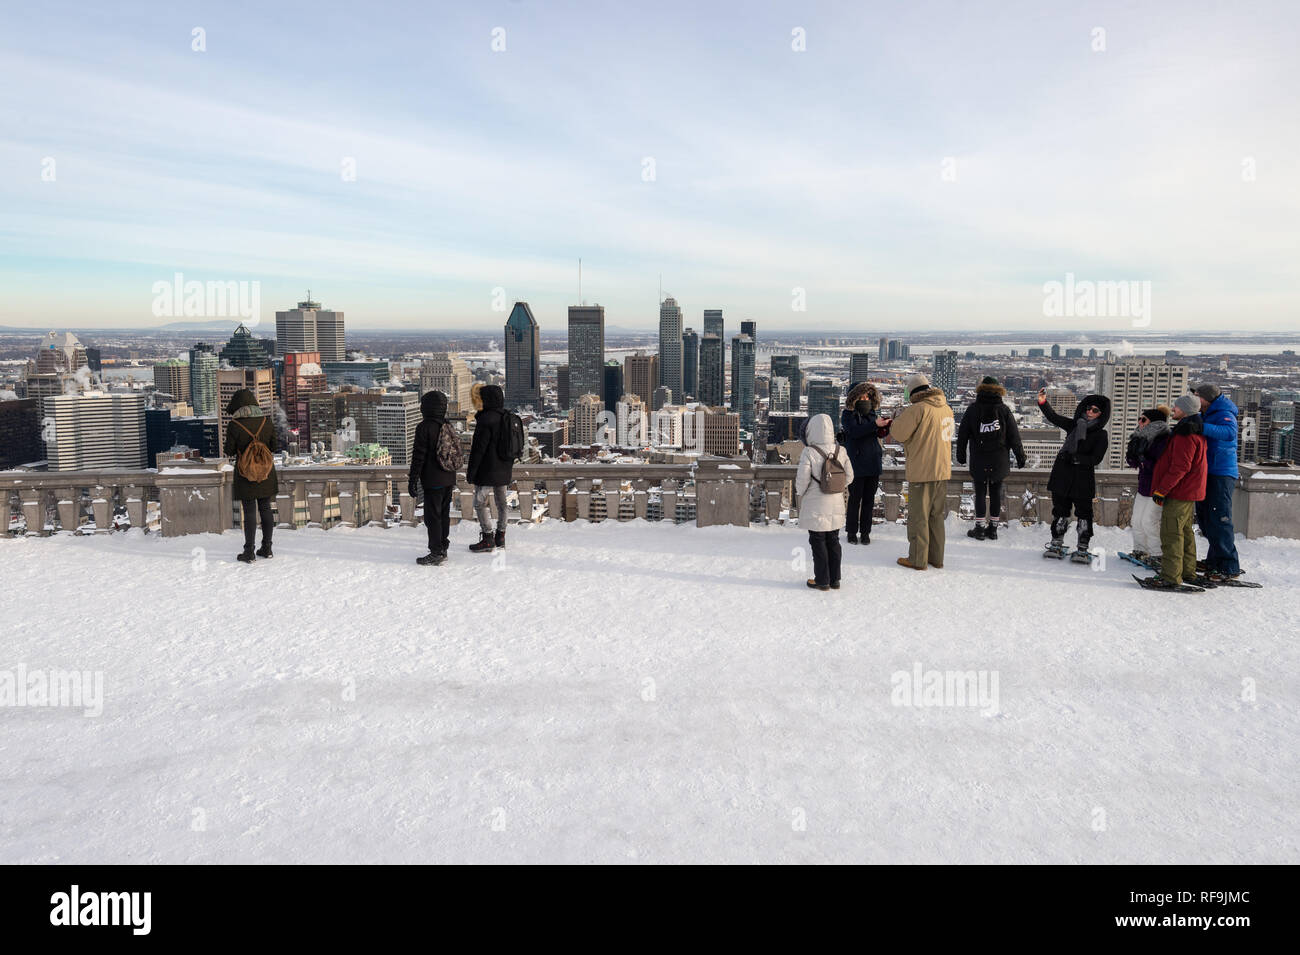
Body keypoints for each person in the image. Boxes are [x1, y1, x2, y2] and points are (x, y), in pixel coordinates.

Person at [886, 372, 955, 571]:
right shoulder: (946, 409)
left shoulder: (918, 409)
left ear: (913, 391)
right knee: (936, 516)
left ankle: (917, 559)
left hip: (922, 470)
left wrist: (896, 420)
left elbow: (898, 433)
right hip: (942, 469)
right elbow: (947, 436)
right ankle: (936, 557)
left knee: (919, 516)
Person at [1141, 394, 1207, 589]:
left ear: (1185, 410)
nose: (1173, 410)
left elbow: (1180, 467)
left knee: (1171, 534)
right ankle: (1187, 572)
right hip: (1188, 492)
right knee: (1185, 533)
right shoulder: (1195, 429)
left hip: (1179, 492)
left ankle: (1170, 576)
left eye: (1176, 407)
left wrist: (1162, 490)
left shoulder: (1184, 434)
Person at [1037, 388, 1110, 557]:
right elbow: (1053, 417)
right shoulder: (1074, 425)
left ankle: (1082, 547)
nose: (1090, 412)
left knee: (1084, 514)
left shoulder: (1101, 434)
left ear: (1101, 414)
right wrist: (1042, 401)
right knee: (1060, 511)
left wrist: (1077, 458)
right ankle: (1056, 542)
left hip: (1082, 478)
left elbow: (1096, 458)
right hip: (1062, 474)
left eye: (1095, 410)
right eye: (1088, 408)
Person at [956, 375, 1025, 541]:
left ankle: (979, 528)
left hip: (979, 459)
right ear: (998, 391)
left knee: (979, 492)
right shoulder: (1004, 410)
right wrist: (1020, 457)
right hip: (999, 459)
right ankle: (993, 529)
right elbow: (1014, 437)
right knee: (995, 493)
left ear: (980, 390)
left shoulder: (973, 409)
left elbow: (963, 434)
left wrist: (961, 456)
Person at [796, 412, 854, 590]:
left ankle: (822, 580)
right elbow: (850, 477)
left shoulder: (809, 452)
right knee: (834, 540)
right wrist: (836, 487)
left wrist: (801, 493)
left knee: (817, 541)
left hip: (815, 502)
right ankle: (835, 579)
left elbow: (802, 481)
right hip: (836, 502)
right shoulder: (840, 450)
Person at [1192, 383, 1242, 581]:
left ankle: (1229, 567)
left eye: (1198, 396)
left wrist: (1202, 427)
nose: (1195, 399)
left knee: (1220, 519)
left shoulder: (1224, 412)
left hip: (1221, 472)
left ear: (1207, 398)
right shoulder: (1206, 412)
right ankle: (1214, 560)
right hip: (1207, 471)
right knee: (1206, 518)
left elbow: (1229, 432)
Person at [223, 388, 277, 564]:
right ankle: (267, 548)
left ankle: (249, 552)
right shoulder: (266, 421)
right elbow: (274, 446)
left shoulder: (234, 425)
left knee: (250, 512)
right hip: (265, 472)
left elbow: (229, 451)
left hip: (245, 472)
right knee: (266, 508)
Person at [408, 390, 457, 566]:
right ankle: (443, 546)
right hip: (449, 478)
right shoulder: (447, 425)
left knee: (432, 517)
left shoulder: (424, 427)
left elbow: (418, 456)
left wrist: (412, 479)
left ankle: (436, 551)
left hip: (433, 480)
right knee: (443, 514)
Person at [466, 383, 513, 553]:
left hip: (487, 469)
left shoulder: (485, 420)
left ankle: (487, 538)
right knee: (502, 503)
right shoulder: (507, 417)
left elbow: (478, 450)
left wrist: (471, 472)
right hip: (505, 467)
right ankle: (500, 535)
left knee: (479, 503)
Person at [1124, 406, 1172, 563]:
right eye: (1139, 418)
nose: (1139, 422)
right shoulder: (1140, 436)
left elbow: (1160, 465)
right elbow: (1132, 462)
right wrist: (1134, 452)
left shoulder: (1164, 439)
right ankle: (1140, 549)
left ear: (1154, 422)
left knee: (1149, 522)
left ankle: (1156, 554)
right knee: (1136, 520)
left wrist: (1143, 458)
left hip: (1157, 487)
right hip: (1144, 486)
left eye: (1143, 419)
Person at [840, 381, 884, 544]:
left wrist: (883, 427)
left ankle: (865, 533)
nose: (865, 399)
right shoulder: (848, 415)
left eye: (867, 396)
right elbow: (854, 432)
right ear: (853, 398)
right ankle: (851, 532)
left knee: (868, 501)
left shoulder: (872, 413)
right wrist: (874, 425)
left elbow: (875, 434)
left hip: (872, 463)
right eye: (861, 396)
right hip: (856, 464)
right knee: (854, 500)